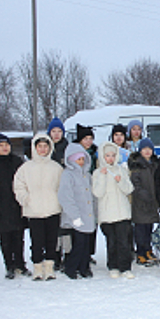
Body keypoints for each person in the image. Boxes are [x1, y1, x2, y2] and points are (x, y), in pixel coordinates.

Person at [13, 134, 63, 281]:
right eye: (39, 146)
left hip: (53, 209)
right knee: (37, 241)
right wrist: (25, 199)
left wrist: (59, 202)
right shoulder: (25, 168)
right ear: (34, 148)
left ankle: (49, 268)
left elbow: (62, 187)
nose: (42, 149)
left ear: (50, 148)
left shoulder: (56, 168)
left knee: (51, 241)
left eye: (45, 146)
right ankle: (37, 268)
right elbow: (18, 186)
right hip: (34, 211)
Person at [0, 133, 30, 280]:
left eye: (6, 145)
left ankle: (20, 264)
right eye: (1, 145)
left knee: (18, 237)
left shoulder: (16, 161)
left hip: (16, 205)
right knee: (5, 239)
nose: (4, 148)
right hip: (0, 206)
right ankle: (9, 265)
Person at [92, 141, 135, 279]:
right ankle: (113, 266)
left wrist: (120, 181)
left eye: (112, 155)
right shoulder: (97, 173)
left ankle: (125, 267)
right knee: (112, 242)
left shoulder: (122, 170)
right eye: (107, 156)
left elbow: (129, 189)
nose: (110, 158)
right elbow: (97, 193)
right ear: (102, 157)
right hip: (107, 214)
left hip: (122, 213)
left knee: (123, 242)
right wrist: (104, 177)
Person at [58, 143, 96, 280]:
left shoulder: (86, 175)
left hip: (88, 216)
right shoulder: (68, 175)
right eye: (78, 159)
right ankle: (71, 267)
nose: (81, 162)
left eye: (83, 159)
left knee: (86, 244)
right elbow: (65, 197)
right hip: (77, 217)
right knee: (78, 245)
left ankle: (84, 267)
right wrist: (74, 216)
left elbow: (91, 195)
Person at [128, 138, 160, 266]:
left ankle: (148, 250)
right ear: (140, 150)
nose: (147, 151)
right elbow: (135, 184)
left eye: (149, 149)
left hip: (151, 202)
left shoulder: (153, 164)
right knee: (140, 230)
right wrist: (144, 195)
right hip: (141, 203)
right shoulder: (137, 165)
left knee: (149, 228)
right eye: (144, 149)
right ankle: (140, 252)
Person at [74, 123, 99, 266]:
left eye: (90, 138)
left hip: (92, 190)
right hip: (80, 191)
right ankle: (79, 253)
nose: (89, 141)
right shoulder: (74, 154)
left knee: (92, 223)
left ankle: (89, 253)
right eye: (85, 139)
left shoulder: (94, 153)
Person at [48, 117, 70, 271]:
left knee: (67, 225)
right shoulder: (45, 149)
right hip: (49, 193)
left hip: (66, 191)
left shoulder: (68, 148)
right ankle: (55, 256)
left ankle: (68, 255)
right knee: (53, 227)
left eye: (59, 131)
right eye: (53, 131)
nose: (56, 134)